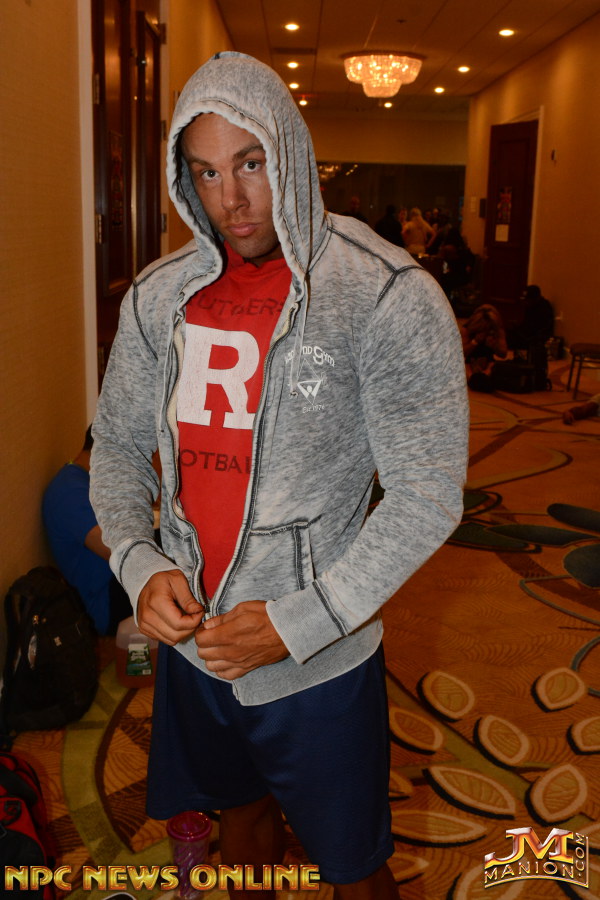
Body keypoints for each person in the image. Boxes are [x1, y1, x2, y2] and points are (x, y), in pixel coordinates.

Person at [90, 51, 468, 899]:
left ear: (290, 150)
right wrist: (139, 564)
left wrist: (301, 621)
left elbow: (427, 493)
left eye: (251, 163)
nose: (232, 199)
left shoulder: (386, 293)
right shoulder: (158, 297)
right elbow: (113, 447)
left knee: (354, 869)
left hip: (317, 658)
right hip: (196, 647)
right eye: (207, 172)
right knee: (243, 830)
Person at [42, 427, 131, 635]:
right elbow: (118, 553)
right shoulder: (70, 492)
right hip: (104, 601)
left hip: (114, 581)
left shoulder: (85, 480)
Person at [461, 304, 507, 391]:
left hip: (488, 363)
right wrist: (475, 342)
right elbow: (462, 353)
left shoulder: (498, 330)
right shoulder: (466, 330)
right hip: (469, 364)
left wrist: (494, 345)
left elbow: (503, 353)